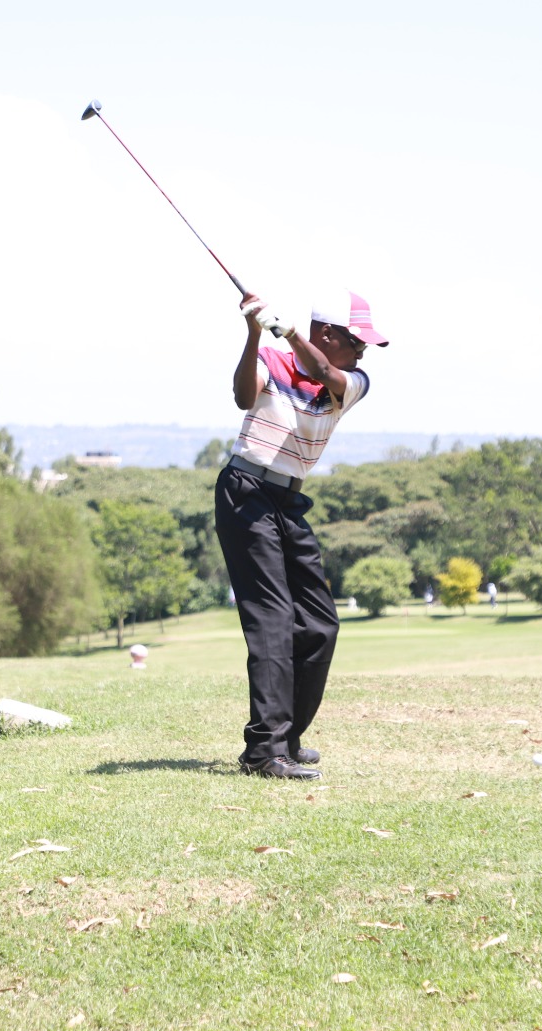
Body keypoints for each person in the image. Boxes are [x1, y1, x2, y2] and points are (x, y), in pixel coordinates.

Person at [214, 288, 388, 780]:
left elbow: (321, 373)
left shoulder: (352, 381)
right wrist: (253, 334)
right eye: (356, 342)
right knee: (271, 619)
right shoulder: (270, 357)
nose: (362, 353)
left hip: (289, 500)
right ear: (328, 334)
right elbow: (243, 397)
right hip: (245, 490)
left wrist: (287, 330)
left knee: (318, 624)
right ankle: (264, 752)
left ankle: (287, 738)